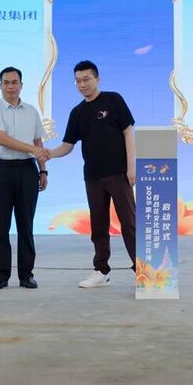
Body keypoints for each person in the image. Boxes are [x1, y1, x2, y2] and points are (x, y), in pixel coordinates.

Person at [47, 60, 136, 288]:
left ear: (97, 79)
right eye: (78, 81)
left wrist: (131, 167)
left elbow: (128, 132)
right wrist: (49, 154)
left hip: (119, 174)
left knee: (129, 223)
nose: (82, 84)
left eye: (86, 79)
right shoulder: (77, 113)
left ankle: (143, 270)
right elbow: (67, 146)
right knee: (98, 225)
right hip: (93, 177)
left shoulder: (113, 100)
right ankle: (101, 271)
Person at [0, 66, 49, 290]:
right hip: (0, 171)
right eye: (6, 83)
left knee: (26, 225)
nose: (10, 86)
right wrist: (32, 149)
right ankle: (1, 275)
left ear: (21, 85)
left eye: (14, 82)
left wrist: (42, 170)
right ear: (0, 85)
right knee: (0, 226)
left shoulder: (31, 111)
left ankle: (26, 275)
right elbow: (1, 139)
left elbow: (38, 141)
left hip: (27, 171)